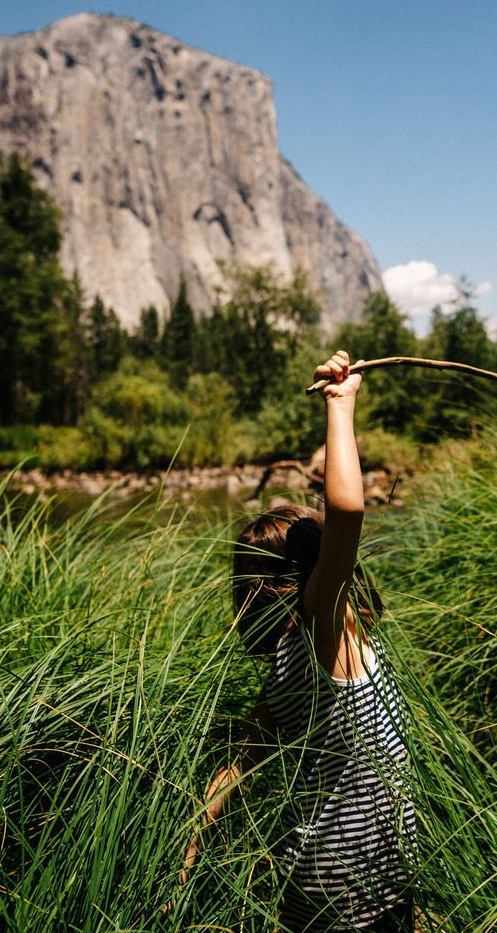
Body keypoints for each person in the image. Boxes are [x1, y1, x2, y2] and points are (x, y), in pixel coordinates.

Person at [181, 350, 417, 932]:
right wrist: (341, 405)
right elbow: (347, 509)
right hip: (361, 881)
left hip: (314, 872)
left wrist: (194, 831)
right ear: (310, 571)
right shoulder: (322, 626)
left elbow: (243, 754)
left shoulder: (287, 662)